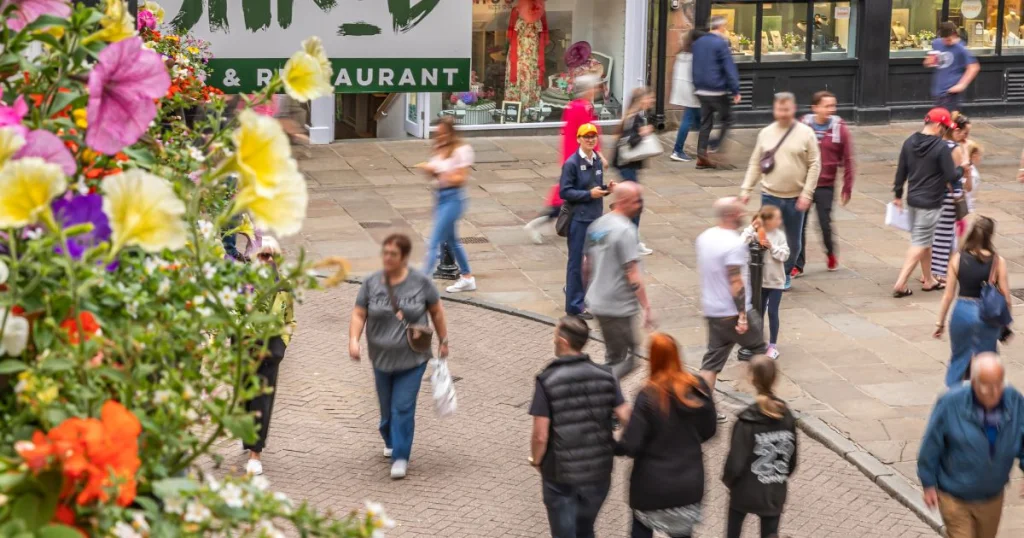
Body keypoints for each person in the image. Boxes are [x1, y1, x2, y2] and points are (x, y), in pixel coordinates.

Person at [349, 234, 450, 480]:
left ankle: (401, 456)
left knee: (403, 407)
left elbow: (436, 312)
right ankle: (390, 437)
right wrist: (353, 339)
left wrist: (444, 340)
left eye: (393, 254)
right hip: (381, 358)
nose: (387, 258)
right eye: (385, 253)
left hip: (413, 357)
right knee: (386, 411)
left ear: (404, 257)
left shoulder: (421, 283)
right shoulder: (372, 283)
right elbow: (359, 313)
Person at [529, 316, 631, 538]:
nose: (553, 340)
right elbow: (627, 417)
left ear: (564, 342)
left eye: (555, 336)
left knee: (565, 532)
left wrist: (537, 460)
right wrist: (619, 445)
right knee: (585, 529)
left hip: (561, 475)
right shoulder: (607, 376)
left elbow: (540, 435)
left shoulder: (547, 380)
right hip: (598, 472)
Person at [617, 333, 717, 538]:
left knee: (640, 530)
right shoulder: (698, 387)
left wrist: (613, 441)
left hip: (650, 486)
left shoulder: (648, 396)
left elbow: (631, 445)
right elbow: (710, 430)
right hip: (688, 484)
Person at [917, 354, 1024, 538]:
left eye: (998, 384)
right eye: (986, 385)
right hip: (955, 496)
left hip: (992, 496)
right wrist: (928, 482)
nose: (993, 391)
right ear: (973, 383)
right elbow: (931, 443)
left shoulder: (1014, 401)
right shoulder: (951, 403)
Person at [739, 92, 821, 290]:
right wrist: (746, 189)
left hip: (795, 197)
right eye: (779, 109)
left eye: (786, 109)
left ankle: (785, 274)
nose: (783, 113)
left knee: (793, 242)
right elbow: (755, 163)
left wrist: (807, 193)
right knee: (764, 237)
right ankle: (765, 274)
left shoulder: (805, 133)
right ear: (775, 110)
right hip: (770, 194)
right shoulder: (766, 133)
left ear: (793, 109)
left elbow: (815, 164)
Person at [696, 197, 767, 421]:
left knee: (712, 362)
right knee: (760, 352)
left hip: (713, 310)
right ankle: (765, 405)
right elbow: (735, 282)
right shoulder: (733, 244)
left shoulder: (705, 237)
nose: (743, 214)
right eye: (739, 212)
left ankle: (703, 409)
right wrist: (743, 316)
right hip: (733, 312)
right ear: (731, 215)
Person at [892, 108, 966, 298]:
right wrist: (961, 169)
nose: (945, 131)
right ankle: (900, 283)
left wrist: (898, 194)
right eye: (944, 127)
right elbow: (951, 175)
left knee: (925, 240)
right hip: (931, 201)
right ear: (939, 125)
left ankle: (929, 279)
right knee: (920, 241)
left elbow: (901, 170)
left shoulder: (909, 142)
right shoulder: (941, 147)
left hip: (913, 200)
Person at [722, 356, 798, 538]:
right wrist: (778, 478)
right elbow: (792, 459)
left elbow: (735, 462)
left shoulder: (746, 422)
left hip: (744, 490)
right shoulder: (786, 416)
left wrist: (729, 481)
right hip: (773, 490)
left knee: (733, 532)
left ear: (752, 379)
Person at [584, 181, 652, 380]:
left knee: (615, 354)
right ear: (623, 201)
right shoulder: (625, 230)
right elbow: (632, 273)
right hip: (617, 305)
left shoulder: (599, 225)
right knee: (626, 359)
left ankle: (610, 399)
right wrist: (646, 307)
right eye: (636, 201)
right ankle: (600, 391)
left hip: (598, 300)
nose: (640, 205)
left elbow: (587, 263)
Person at [933, 217, 1011, 387]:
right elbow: (1006, 297)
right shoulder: (998, 262)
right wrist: (1005, 322)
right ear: (990, 236)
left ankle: (955, 395)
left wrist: (940, 323)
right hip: (986, 316)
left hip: (961, 312)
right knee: (987, 360)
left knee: (959, 357)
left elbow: (948, 295)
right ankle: (983, 397)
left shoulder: (958, 258)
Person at [243, 237, 295, 476]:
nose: (270, 260)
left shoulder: (283, 286)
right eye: (264, 255)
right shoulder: (241, 283)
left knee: (262, 399)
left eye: (274, 256)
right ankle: (246, 432)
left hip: (270, 348)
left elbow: (289, 319)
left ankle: (256, 452)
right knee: (245, 396)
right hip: (243, 346)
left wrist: (282, 344)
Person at [795, 91, 854, 275]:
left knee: (824, 223)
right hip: (802, 184)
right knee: (799, 225)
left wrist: (847, 186)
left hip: (825, 184)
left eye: (833, 106)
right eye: (827, 105)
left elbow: (847, 159)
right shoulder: (802, 126)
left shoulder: (839, 128)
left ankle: (830, 253)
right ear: (815, 108)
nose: (831, 109)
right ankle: (797, 264)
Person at [418, 116, 477, 294]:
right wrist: (430, 171)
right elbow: (435, 176)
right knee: (451, 241)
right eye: (438, 134)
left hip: (454, 199)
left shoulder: (462, 150)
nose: (440, 137)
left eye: (443, 134)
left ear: (451, 132)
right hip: (440, 197)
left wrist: (439, 171)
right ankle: (467, 278)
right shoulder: (438, 149)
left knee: (434, 240)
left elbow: (461, 178)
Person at [561, 123, 613, 320]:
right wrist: (588, 194)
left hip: (595, 218)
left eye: (593, 136)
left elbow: (596, 186)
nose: (590, 139)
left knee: (592, 262)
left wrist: (607, 188)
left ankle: (582, 296)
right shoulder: (572, 163)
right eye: (586, 136)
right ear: (578, 139)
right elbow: (565, 192)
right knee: (576, 262)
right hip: (579, 219)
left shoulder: (597, 160)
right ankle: (574, 306)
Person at [692, 15, 741, 170]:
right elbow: (728, 67)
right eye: (724, 26)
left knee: (705, 123)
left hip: (700, 89)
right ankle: (715, 147)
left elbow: (694, 65)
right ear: (720, 27)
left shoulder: (698, 42)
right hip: (716, 90)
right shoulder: (721, 43)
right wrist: (735, 90)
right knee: (727, 119)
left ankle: (701, 156)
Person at [741, 206, 789, 360]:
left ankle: (773, 345)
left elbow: (785, 255)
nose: (780, 221)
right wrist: (751, 227)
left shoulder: (779, 235)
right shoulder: (756, 234)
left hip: (775, 281)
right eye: (777, 218)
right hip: (759, 282)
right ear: (767, 221)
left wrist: (772, 247)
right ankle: (758, 341)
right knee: (758, 313)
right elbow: (740, 244)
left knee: (773, 312)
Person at [930, 113, 972, 284]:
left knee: (936, 234)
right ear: (954, 131)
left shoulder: (935, 145)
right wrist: (965, 167)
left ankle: (933, 271)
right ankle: (939, 272)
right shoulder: (952, 148)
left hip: (933, 194)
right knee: (944, 235)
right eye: (963, 132)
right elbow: (955, 176)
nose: (964, 136)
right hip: (948, 196)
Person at [614, 87, 655, 255]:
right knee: (635, 203)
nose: (651, 101)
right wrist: (644, 133)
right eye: (649, 98)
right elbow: (631, 142)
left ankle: (629, 238)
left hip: (626, 165)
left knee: (633, 202)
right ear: (642, 100)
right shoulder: (636, 117)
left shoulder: (633, 115)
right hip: (627, 165)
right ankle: (631, 241)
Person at [926, 21, 980, 112]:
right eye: (944, 39)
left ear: (954, 35)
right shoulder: (937, 43)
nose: (946, 41)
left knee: (947, 122)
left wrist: (962, 85)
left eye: (949, 39)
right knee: (941, 122)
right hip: (938, 91)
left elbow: (973, 67)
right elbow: (929, 61)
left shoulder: (960, 48)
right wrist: (928, 61)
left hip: (951, 93)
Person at [560, 74, 607, 169]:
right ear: (587, 90)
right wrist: (598, 154)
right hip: (581, 157)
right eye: (593, 88)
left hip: (573, 155)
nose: (595, 90)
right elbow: (588, 133)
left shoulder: (573, 105)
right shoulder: (582, 108)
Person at [669, 30, 702, 163]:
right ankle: (677, 150)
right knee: (690, 120)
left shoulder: (681, 55)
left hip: (683, 90)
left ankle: (705, 147)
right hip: (692, 92)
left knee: (699, 120)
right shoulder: (695, 56)